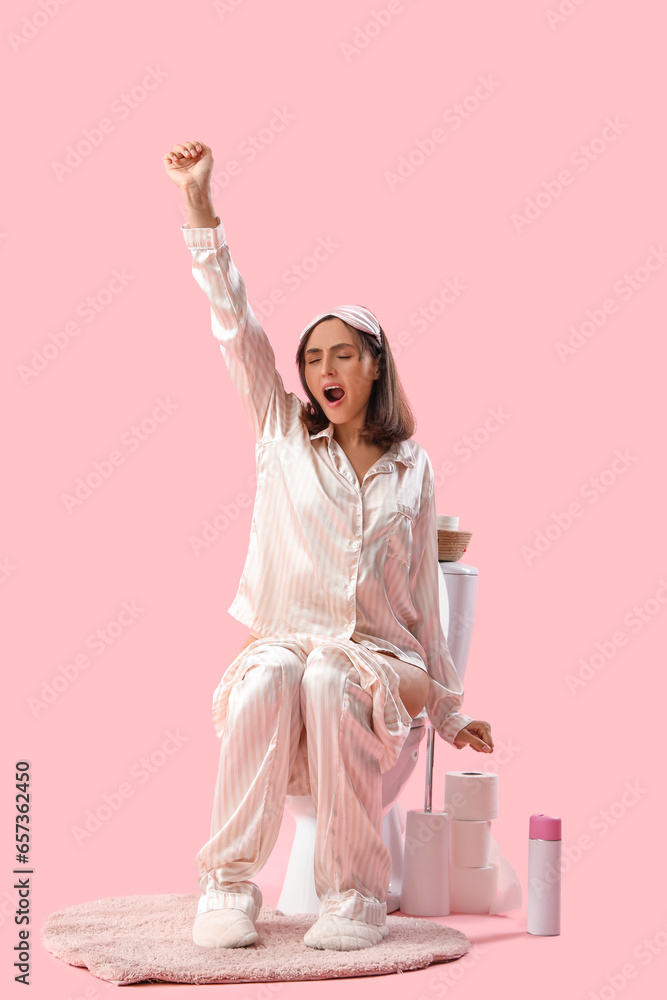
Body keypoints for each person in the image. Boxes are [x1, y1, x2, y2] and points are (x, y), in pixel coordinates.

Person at [163, 140, 494, 952]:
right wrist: (199, 209)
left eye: (341, 353)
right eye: (313, 358)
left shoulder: (413, 471)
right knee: (277, 668)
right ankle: (228, 883)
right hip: (291, 639)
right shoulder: (281, 435)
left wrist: (449, 713)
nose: (322, 369)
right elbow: (236, 328)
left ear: (375, 364)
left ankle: (353, 897)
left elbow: (422, 591)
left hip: (379, 657)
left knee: (328, 672)